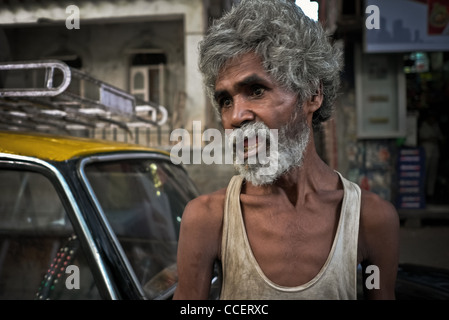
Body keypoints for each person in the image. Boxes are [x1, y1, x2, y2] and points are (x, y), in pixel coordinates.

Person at [173, 0, 399, 300]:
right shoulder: (206, 219)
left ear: (312, 94)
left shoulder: (371, 219)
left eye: (256, 90)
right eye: (225, 100)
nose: (236, 116)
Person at [419, 111, 444, 203]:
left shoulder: (435, 126)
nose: (433, 119)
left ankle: (430, 193)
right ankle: (422, 193)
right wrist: (430, 138)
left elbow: (440, 138)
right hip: (426, 151)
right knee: (424, 172)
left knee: (432, 173)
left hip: (434, 152)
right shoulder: (424, 125)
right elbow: (420, 138)